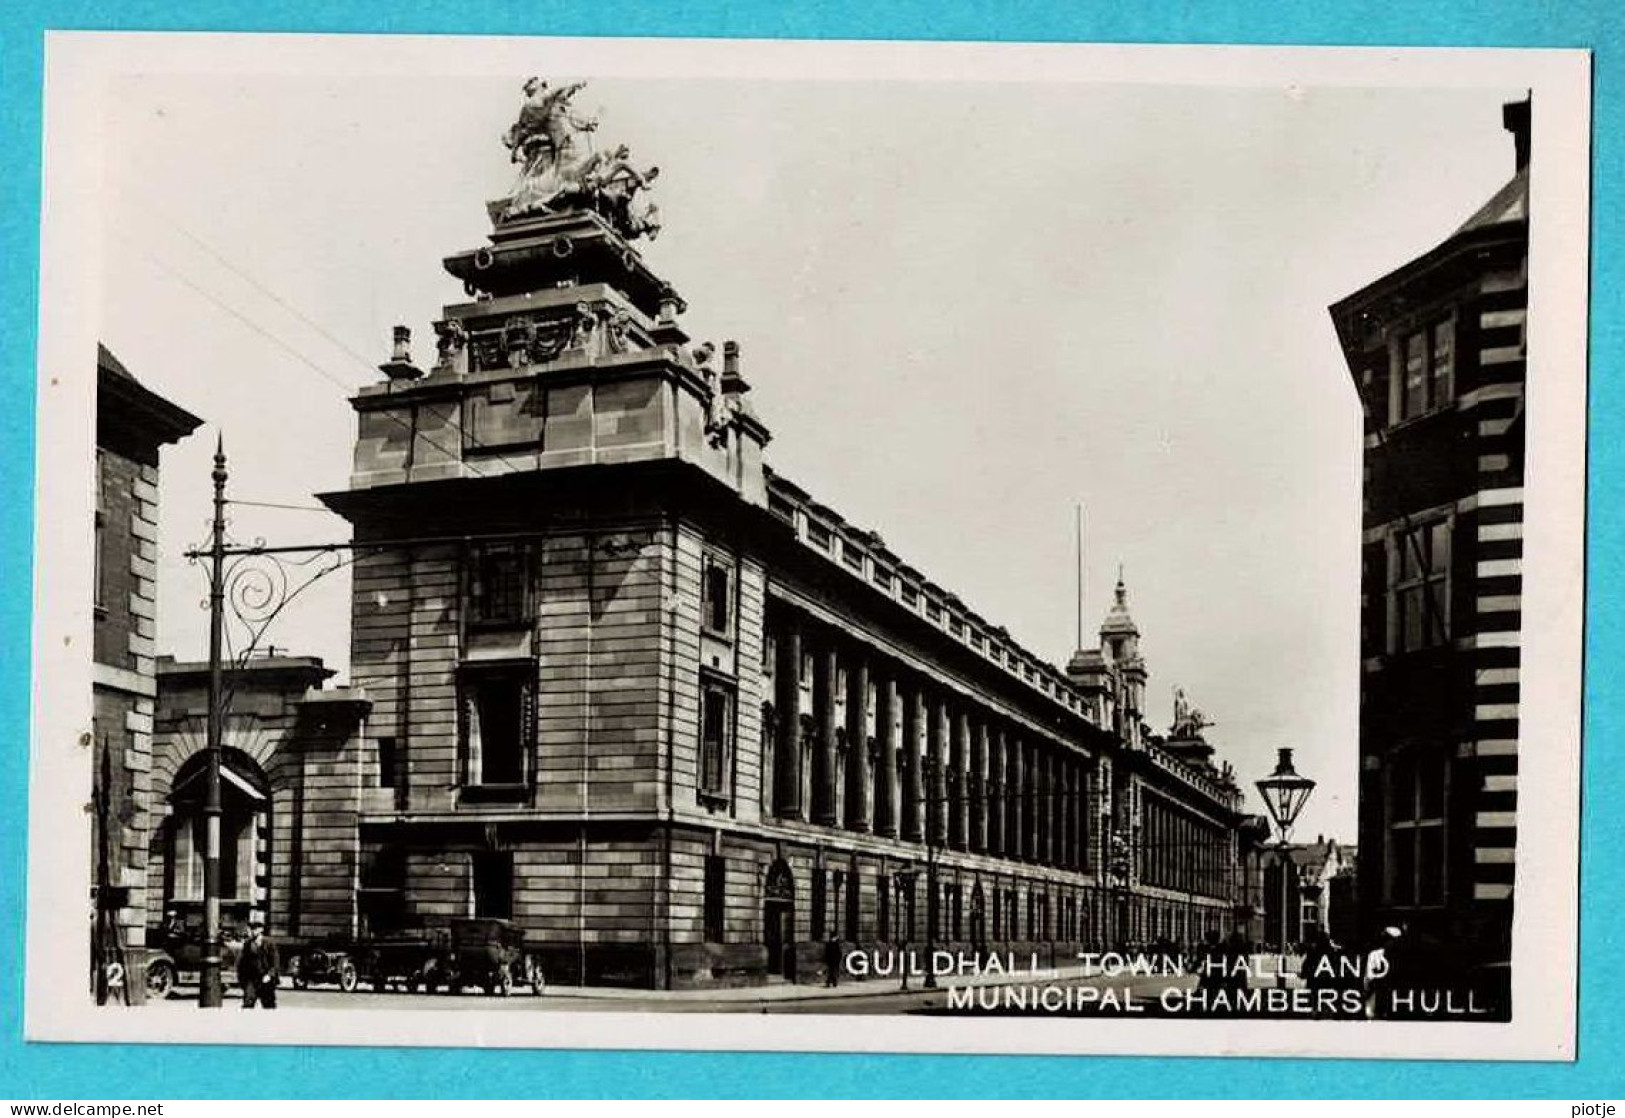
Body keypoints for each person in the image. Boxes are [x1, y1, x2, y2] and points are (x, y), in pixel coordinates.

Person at [236, 920, 280, 1009]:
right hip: (252, 979)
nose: (252, 931)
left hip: (266, 979)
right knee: (248, 1002)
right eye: (251, 929)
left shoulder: (269, 943)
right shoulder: (248, 944)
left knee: (269, 1005)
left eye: (255, 929)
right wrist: (242, 979)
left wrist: (269, 975)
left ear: (261, 930)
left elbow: (275, 962)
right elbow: (243, 963)